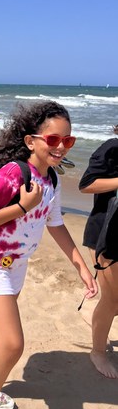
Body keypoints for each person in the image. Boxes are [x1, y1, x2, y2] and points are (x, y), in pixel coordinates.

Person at [0, 101, 97, 409]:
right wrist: (23, 205)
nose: (60, 147)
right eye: (53, 140)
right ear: (31, 141)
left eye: (68, 141)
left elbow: (56, 225)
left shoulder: (50, 179)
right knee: (12, 343)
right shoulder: (14, 173)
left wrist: (81, 265)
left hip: (17, 264)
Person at [79, 124, 118, 379]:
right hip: (108, 233)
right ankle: (97, 352)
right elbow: (86, 184)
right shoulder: (112, 148)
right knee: (113, 300)